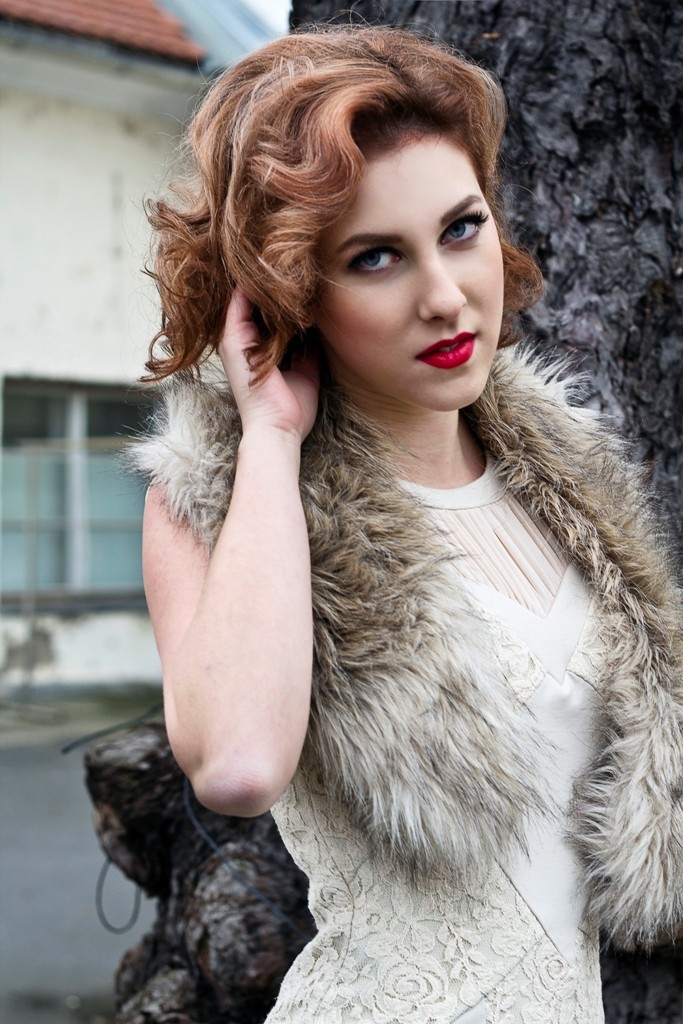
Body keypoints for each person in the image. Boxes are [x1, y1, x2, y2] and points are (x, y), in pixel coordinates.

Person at [136, 24, 683, 1023]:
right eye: (376, 256)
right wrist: (271, 435)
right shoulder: (223, 499)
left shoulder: (567, 488)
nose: (443, 295)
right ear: (295, 288)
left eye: (461, 228)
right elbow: (239, 765)